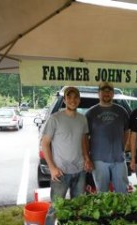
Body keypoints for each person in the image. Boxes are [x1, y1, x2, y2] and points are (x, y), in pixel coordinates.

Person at [41, 86, 93, 225]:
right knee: (56, 208)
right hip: (60, 172)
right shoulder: (55, 119)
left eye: (75, 97)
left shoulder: (83, 119)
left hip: (80, 170)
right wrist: (52, 168)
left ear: (79, 100)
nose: (72, 100)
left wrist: (87, 159)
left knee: (78, 206)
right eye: (69, 97)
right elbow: (45, 144)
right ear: (64, 100)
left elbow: (83, 140)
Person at [85, 82, 130, 193]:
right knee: (102, 193)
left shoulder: (121, 111)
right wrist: (87, 158)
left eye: (109, 91)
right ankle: (105, 211)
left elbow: (127, 131)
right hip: (98, 160)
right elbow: (85, 137)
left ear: (113, 94)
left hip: (119, 159)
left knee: (122, 192)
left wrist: (123, 147)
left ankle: (122, 211)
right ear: (98, 93)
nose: (106, 93)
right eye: (103, 91)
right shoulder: (90, 113)